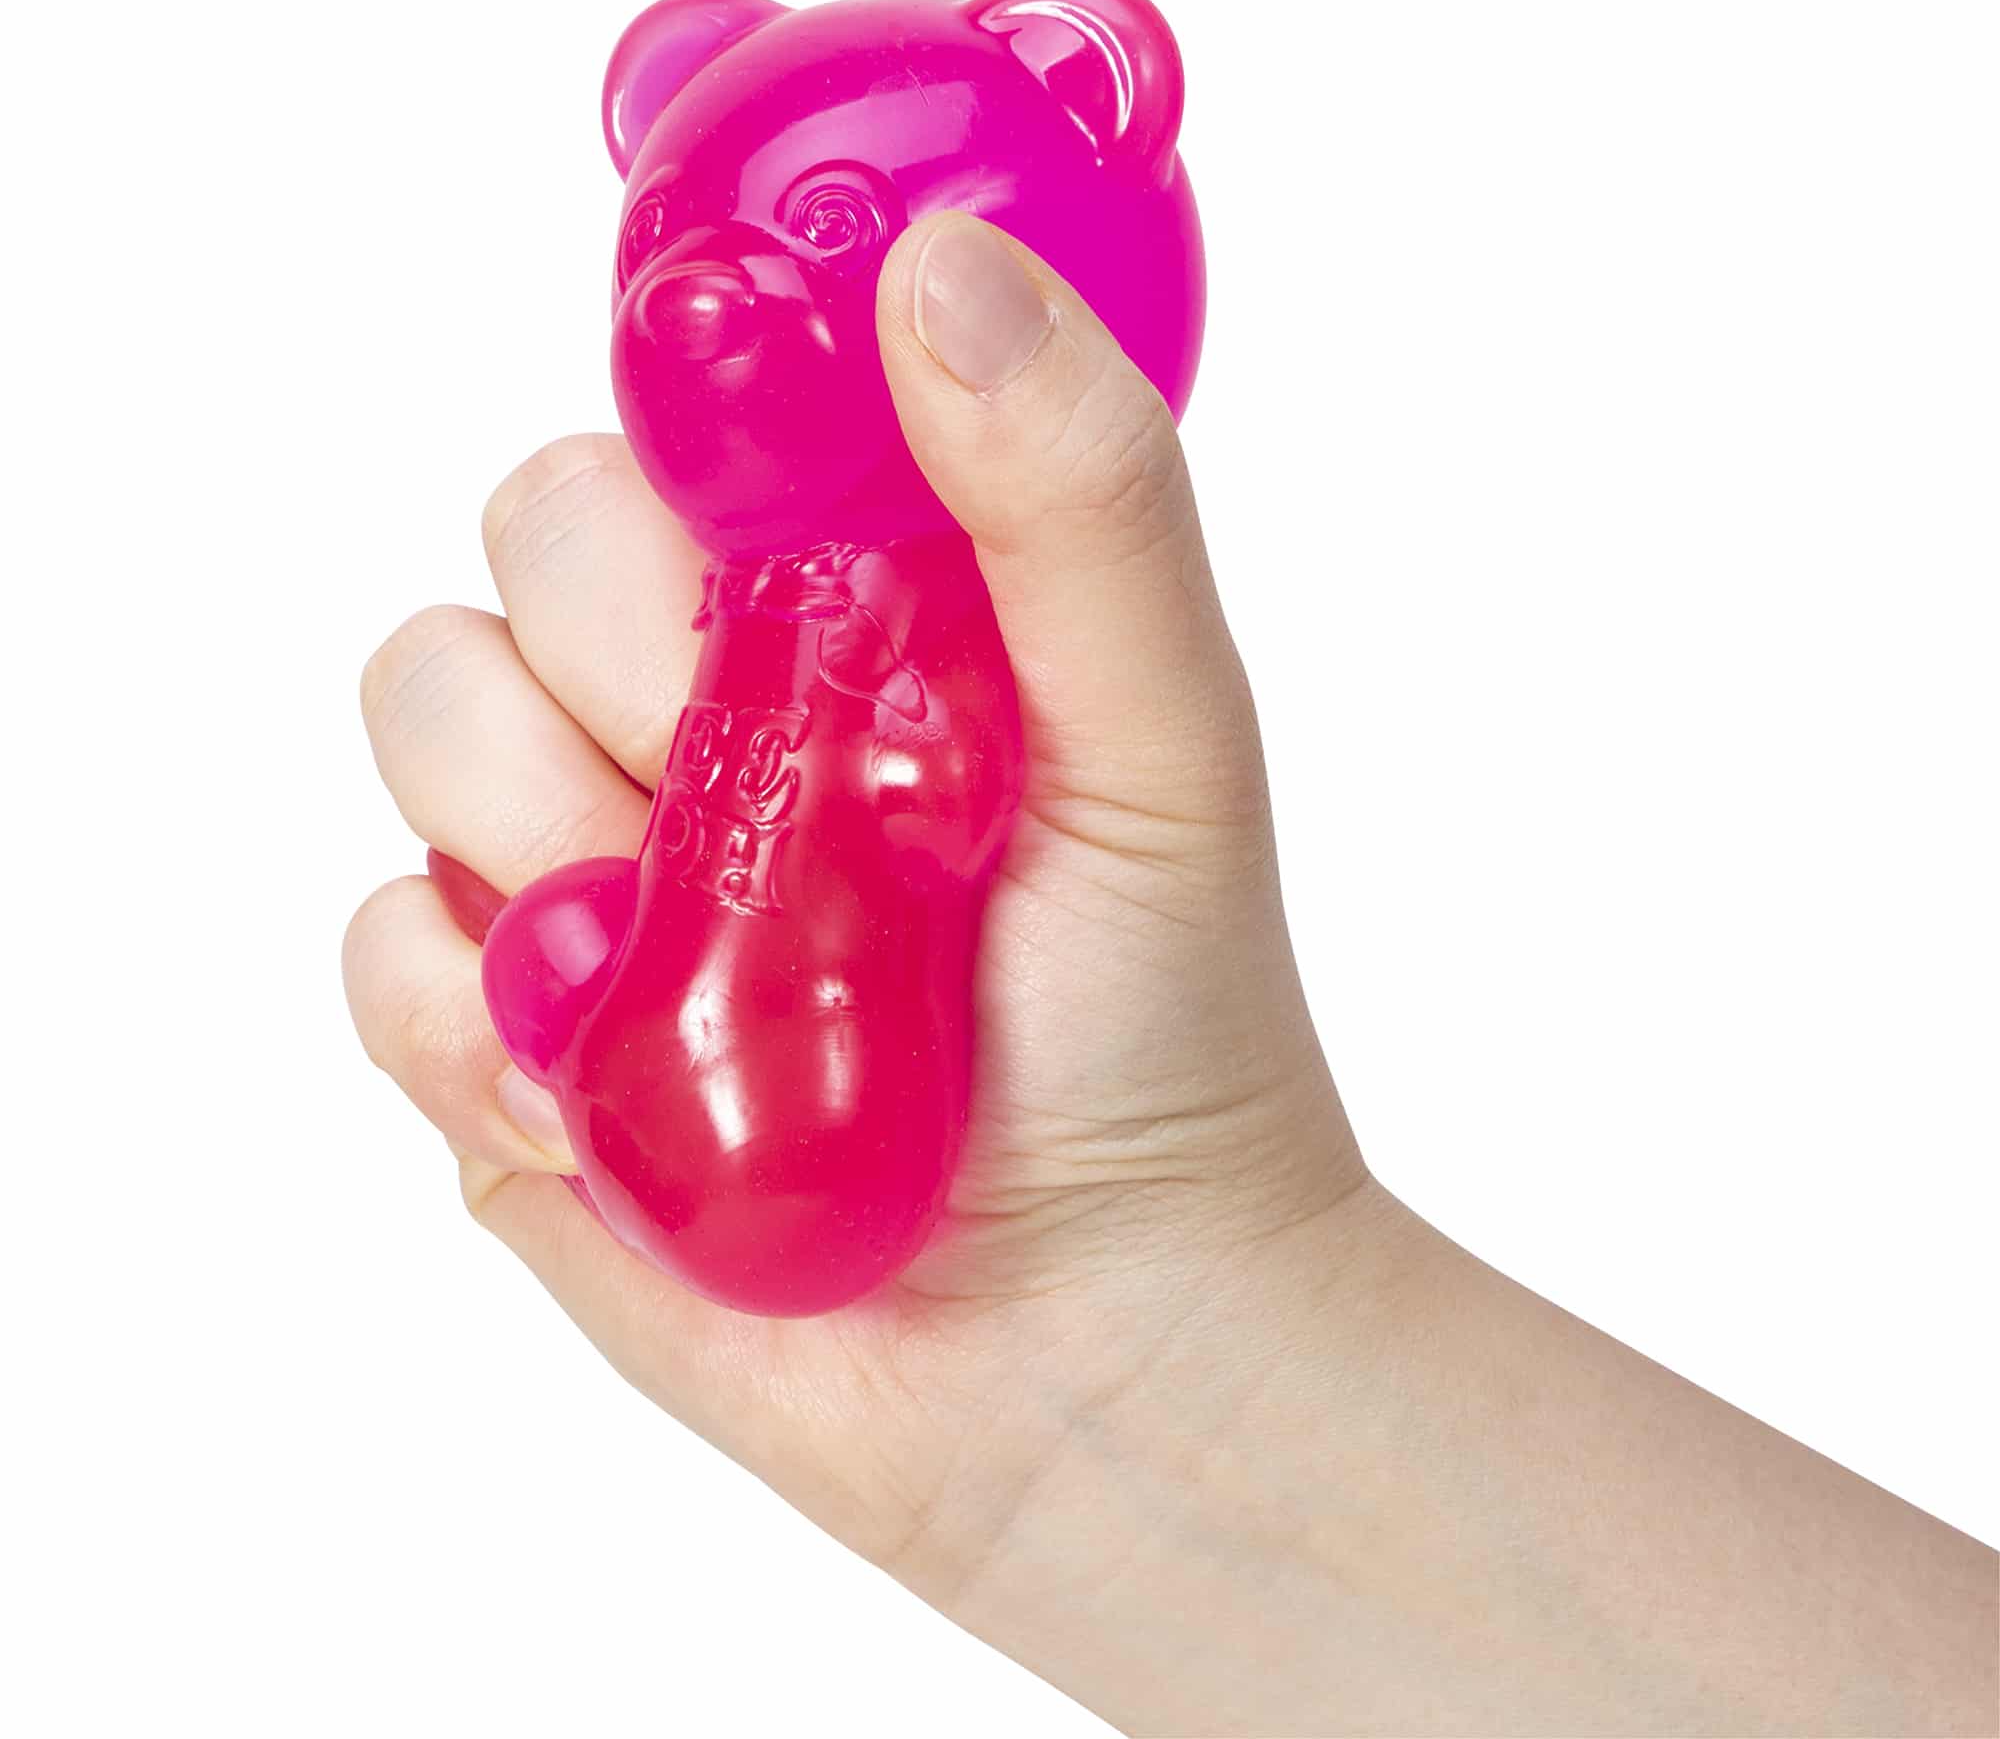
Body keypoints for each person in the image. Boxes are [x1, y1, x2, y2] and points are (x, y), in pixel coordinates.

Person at [344, 214, 1996, 1738]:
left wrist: (1181, 1304)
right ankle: (589, 1009)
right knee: (572, 923)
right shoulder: (800, 613)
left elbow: (935, 789)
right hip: (686, 1088)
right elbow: (921, 793)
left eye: (821, 226)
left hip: (786, 1106)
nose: (706, 294)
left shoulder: (884, 628)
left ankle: (593, 1008)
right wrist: (1172, 1332)